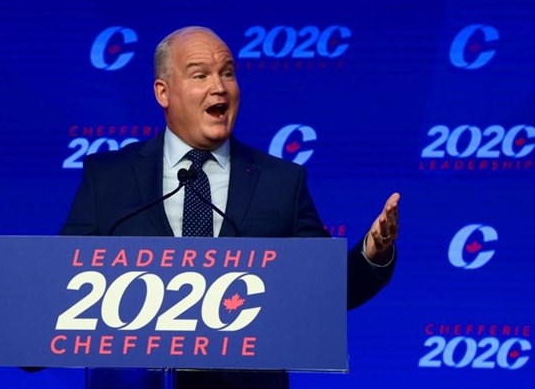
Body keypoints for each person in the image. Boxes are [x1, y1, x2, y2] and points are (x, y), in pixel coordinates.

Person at [61, 26, 400, 389]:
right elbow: (61, 286)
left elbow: (325, 289)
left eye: (227, 73)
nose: (219, 87)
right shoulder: (109, 178)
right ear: (163, 92)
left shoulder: (280, 182)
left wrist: (371, 252)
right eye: (200, 75)